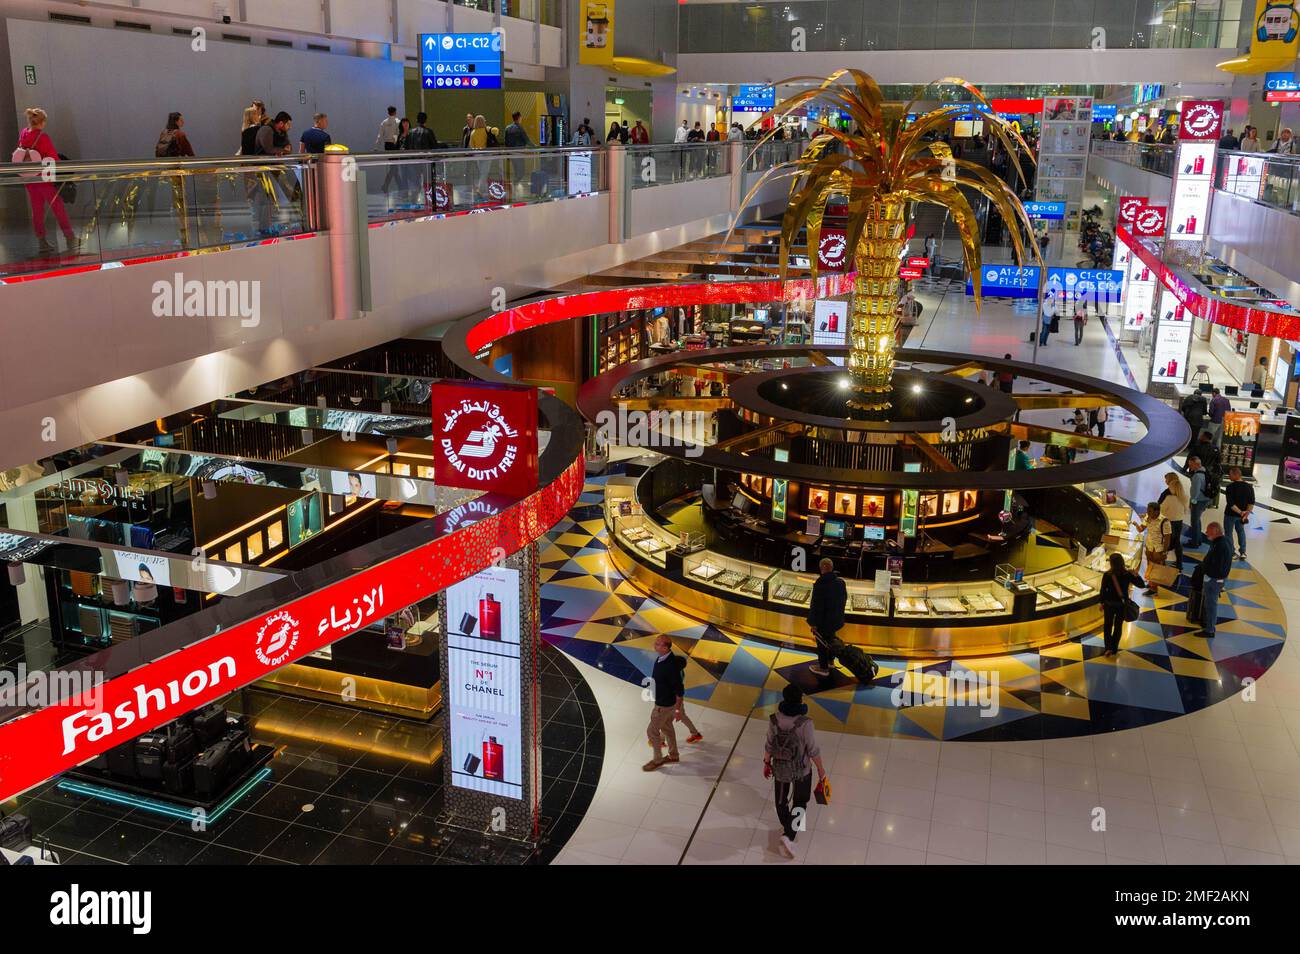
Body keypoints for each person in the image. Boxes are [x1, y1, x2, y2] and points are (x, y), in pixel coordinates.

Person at [764, 684, 827, 859]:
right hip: (802, 770)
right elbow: (813, 749)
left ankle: (788, 829)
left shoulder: (774, 719)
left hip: (780, 767)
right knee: (800, 802)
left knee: (781, 801)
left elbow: (769, 743)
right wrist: (821, 771)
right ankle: (789, 835)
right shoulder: (805, 723)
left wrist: (766, 762)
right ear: (800, 699)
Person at [15, 107, 78, 258]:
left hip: (29, 179)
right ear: (42, 122)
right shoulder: (43, 138)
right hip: (44, 178)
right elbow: (53, 159)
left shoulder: (24, 134)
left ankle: (42, 241)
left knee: (37, 209)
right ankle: (70, 238)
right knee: (57, 207)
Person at [643, 634, 685, 771]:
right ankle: (673, 755)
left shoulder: (670, 666)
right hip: (665, 702)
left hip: (664, 706)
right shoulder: (661, 659)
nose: (655, 646)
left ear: (665, 647)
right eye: (656, 643)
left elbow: (679, 690)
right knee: (667, 728)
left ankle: (657, 760)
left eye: (658, 644)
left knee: (652, 731)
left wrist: (678, 710)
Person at [806, 557, 846, 677]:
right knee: (831, 639)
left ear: (822, 568)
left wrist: (813, 623)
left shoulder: (820, 584)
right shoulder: (840, 582)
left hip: (823, 622)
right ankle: (830, 662)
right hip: (836, 621)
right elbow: (844, 599)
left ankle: (823, 668)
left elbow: (816, 606)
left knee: (821, 644)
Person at [1099, 552, 1145, 656]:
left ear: (1111, 563)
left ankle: (1108, 648)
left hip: (1109, 605)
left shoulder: (1107, 575)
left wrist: (1101, 602)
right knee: (1118, 626)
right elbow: (1142, 585)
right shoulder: (1127, 574)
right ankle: (1114, 648)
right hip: (1122, 605)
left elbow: (1103, 590)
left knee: (1107, 626)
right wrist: (1136, 575)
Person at [1197, 522, 1232, 637]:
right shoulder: (1222, 541)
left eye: (1208, 530)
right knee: (1210, 603)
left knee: (1211, 605)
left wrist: (1207, 573)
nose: (1206, 533)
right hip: (1215, 579)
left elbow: (1219, 566)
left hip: (1214, 580)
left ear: (1216, 531)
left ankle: (1210, 630)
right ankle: (1208, 624)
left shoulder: (1221, 545)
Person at [1135, 501, 1171, 596]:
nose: (1148, 513)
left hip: (1158, 549)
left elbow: (1167, 538)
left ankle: (1153, 588)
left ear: (1157, 511)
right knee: (1150, 566)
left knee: (1156, 568)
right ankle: (1151, 583)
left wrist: (1164, 552)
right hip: (1149, 546)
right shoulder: (1148, 518)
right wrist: (1135, 524)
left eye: (1150, 511)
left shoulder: (1164, 521)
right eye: (1148, 511)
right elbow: (1141, 529)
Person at [1222, 466, 1254, 560]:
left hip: (1230, 515)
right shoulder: (1249, 487)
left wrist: (1240, 512)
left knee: (1228, 532)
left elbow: (1231, 504)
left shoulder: (1230, 487)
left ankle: (1232, 552)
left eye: (1230, 474)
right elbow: (1251, 502)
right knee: (1241, 531)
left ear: (1236, 475)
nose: (1229, 476)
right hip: (1242, 516)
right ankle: (1243, 552)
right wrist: (1245, 514)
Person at [1160, 471, 1189, 571]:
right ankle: (1179, 564)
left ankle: (1162, 562)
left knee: (1165, 543)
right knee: (1177, 543)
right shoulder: (1184, 498)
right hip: (1179, 523)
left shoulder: (1168, 498)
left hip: (1168, 523)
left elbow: (1161, 509)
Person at [1184, 455, 1209, 548]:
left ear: (1196, 464)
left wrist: (1192, 502)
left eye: (1191, 465)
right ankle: (1198, 539)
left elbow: (1195, 492)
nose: (1189, 467)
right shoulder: (1205, 471)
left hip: (1198, 501)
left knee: (1194, 521)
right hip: (1205, 499)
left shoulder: (1197, 476)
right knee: (1197, 519)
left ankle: (1194, 542)